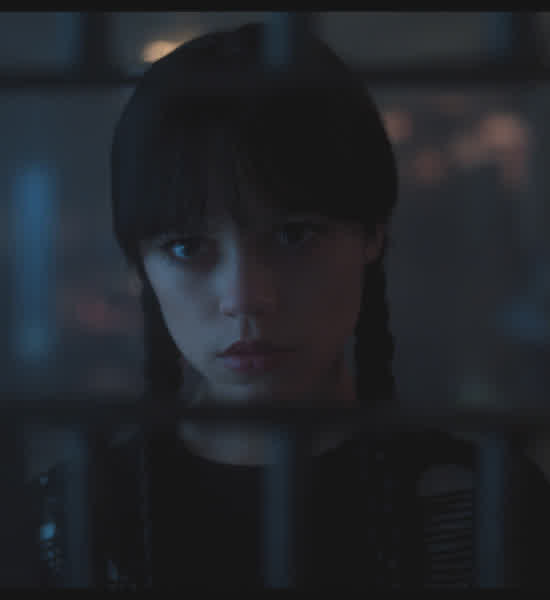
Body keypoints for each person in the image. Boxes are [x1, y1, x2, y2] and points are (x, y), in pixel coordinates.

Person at [31, 21, 550, 589]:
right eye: (187, 248)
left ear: (372, 233)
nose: (245, 298)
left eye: (294, 235)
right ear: (140, 264)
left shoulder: (485, 506)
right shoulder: (66, 524)